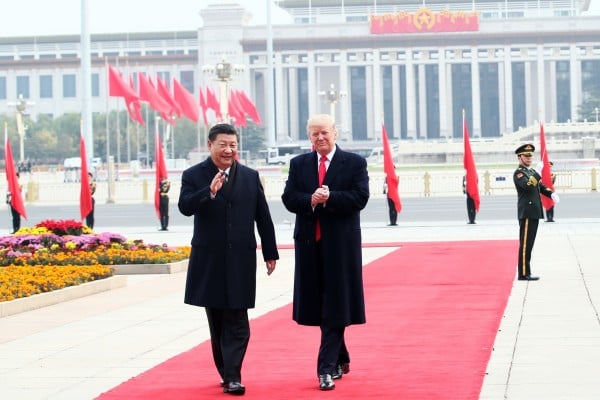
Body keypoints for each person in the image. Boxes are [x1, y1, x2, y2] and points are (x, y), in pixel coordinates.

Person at [178, 123, 279, 396]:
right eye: (223, 144)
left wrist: (270, 252)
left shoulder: (249, 176)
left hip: (241, 259)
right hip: (209, 259)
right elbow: (185, 207)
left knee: (238, 318)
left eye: (233, 145)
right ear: (210, 145)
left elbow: (263, 216)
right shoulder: (193, 175)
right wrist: (208, 192)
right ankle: (226, 371)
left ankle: (234, 375)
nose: (228, 150)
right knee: (217, 320)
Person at [281, 114, 369, 391]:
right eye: (314, 134)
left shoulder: (354, 163)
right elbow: (289, 198)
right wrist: (310, 200)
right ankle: (341, 356)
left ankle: (325, 368)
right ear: (309, 137)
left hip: (340, 246)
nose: (320, 138)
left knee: (335, 301)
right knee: (321, 304)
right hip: (309, 244)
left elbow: (360, 197)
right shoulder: (299, 164)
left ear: (335, 133)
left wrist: (330, 198)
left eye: (324, 133)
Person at [513, 144, 559, 281]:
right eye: (526, 156)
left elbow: (540, 186)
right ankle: (523, 273)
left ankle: (526, 271)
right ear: (519, 158)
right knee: (525, 244)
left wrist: (551, 194)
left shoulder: (531, 171)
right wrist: (538, 173)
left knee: (530, 244)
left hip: (533, 212)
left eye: (530, 156)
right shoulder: (519, 173)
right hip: (526, 212)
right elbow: (528, 186)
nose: (529, 158)